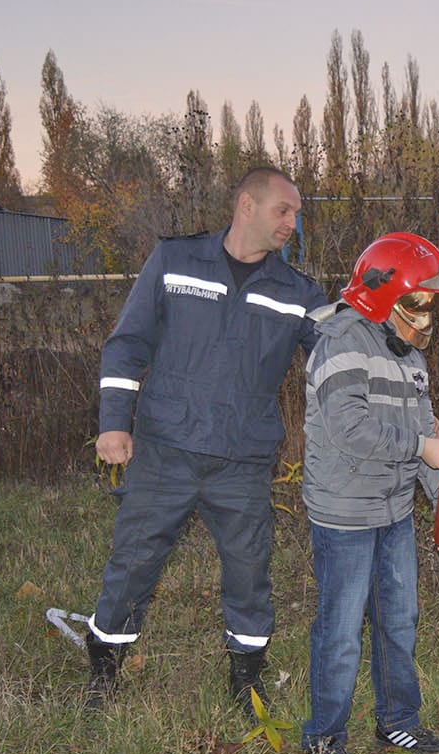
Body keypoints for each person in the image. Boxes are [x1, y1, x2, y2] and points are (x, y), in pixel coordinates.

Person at [85, 166, 327, 714]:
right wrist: (113, 421)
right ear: (247, 205)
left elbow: (335, 360)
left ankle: (246, 680)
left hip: (242, 462)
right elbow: (127, 346)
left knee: (249, 573)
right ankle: (104, 673)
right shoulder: (174, 262)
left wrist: (384, 331)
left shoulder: (297, 293)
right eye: (282, 211)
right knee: (134, 562)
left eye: (296, 214)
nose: (292, 222)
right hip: (166, 449)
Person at [300, 232, 439, 754]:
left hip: (393, 511)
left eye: (431, 307)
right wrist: (422, 448)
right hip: (345, 514)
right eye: (417, 304)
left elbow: (424, 433)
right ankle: (324, 738)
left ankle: (398, 719)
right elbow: (349, 428)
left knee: (399, 620)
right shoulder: (342, 342)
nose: (426, 319)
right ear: (383, 295)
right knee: (342, 630)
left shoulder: (411, 357)